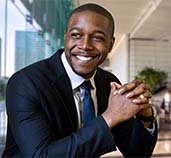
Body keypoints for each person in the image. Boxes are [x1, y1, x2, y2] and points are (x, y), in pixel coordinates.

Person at [2, 3, 157, 157]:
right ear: (65, 37)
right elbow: (41, 155)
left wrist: (145, 117)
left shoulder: (108, 83)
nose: (84, 45)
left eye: (97, 38)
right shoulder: (25, 83)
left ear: (110, 44)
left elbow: (137, 153)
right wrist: (110, 117)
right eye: (76, 35)